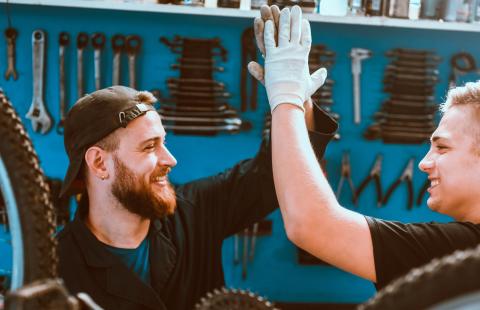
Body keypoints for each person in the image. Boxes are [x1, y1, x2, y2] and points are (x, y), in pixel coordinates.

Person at [260, 5, 480, 292]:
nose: (424, 163)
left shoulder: (462, 251)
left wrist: (285, 98)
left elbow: (312, 225)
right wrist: (300, 102)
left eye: (443, 148)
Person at [57, 84, 337, 309]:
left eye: (163, 143)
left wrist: (297, 96)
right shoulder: (56, 265)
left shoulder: (195, 211)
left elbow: (272, 175)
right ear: (99, 163)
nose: (170, 159)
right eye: (149, 147)